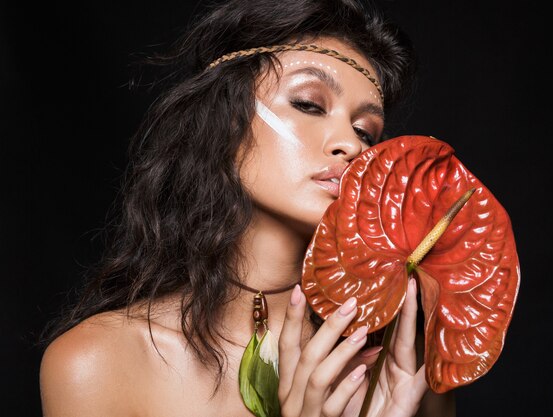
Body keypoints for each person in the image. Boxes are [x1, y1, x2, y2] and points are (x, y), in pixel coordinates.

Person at [39, 0, 456, 415]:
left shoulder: (400, 365)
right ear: (225, 118)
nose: (350, 145)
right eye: (309, 104)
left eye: (365, 132)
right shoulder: (98, 361)